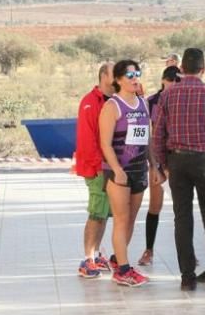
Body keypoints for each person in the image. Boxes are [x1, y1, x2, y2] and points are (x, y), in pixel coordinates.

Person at [151, 47, 205, 293]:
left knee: (182, 219)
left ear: (182, 68)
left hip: (178, 162)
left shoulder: (168, 95)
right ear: (203, 69)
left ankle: (187, 277)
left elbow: (159, 134)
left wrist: (163, 164)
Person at [98, 60, 151, 287]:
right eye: (129, 75)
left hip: (140, 169)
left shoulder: (143, 104)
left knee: (130, 219)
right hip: (118, 172)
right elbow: (105, 143)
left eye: (137, 73)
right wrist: (117, 170)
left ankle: (119, 261)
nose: (134, 78)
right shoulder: (112, 106)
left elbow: (147, 139)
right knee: (121, 219)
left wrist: (155, 166)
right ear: (118, 80)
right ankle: (124, 271)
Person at [138, 66, 180, 266]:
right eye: (170, 80)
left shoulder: (184, 101)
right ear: (163, 80)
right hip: (158, 161)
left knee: (182, 209)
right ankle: (149, 250)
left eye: (177, 80)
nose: (173, 84)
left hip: (179, 160)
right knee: (155, 206)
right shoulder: (152, 102)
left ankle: (187, 253)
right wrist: (153, 164)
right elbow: (149, 134)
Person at [76, 62, 115, 278]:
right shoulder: (91, 102)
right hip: (97, 168)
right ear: (103, 76)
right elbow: (87, 139)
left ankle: (97, 254)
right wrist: (98, 167)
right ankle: (87, 258)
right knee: (96, 213)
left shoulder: (117, 99)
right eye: (114, 73)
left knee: (104, 214)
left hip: (111, 168)